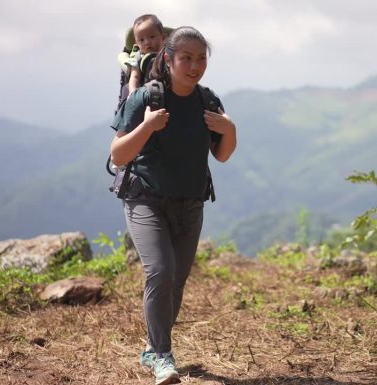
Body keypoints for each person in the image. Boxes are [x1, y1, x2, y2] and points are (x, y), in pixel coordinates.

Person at [109, 26, 237, 385]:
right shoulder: (147, 98)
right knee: (161, 272)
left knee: (177, 281)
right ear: (168, 58)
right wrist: (148, 127)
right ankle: (163, 357)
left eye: (201, 58)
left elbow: (222, 155)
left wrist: (230, 129)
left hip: (191, 203)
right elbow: (118, 155)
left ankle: (153, 348)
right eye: (187, 58)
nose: (195, 66)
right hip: (145, 199)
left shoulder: (207, 101)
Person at [119, 14, 168, 97]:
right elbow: (135, 77)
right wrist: (133, 95)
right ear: (137, 43)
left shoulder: (169, 54)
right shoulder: (137, 58)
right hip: (145, 94)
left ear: (163, 37)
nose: (147, 42)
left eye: (152, 37)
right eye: (141, 40)